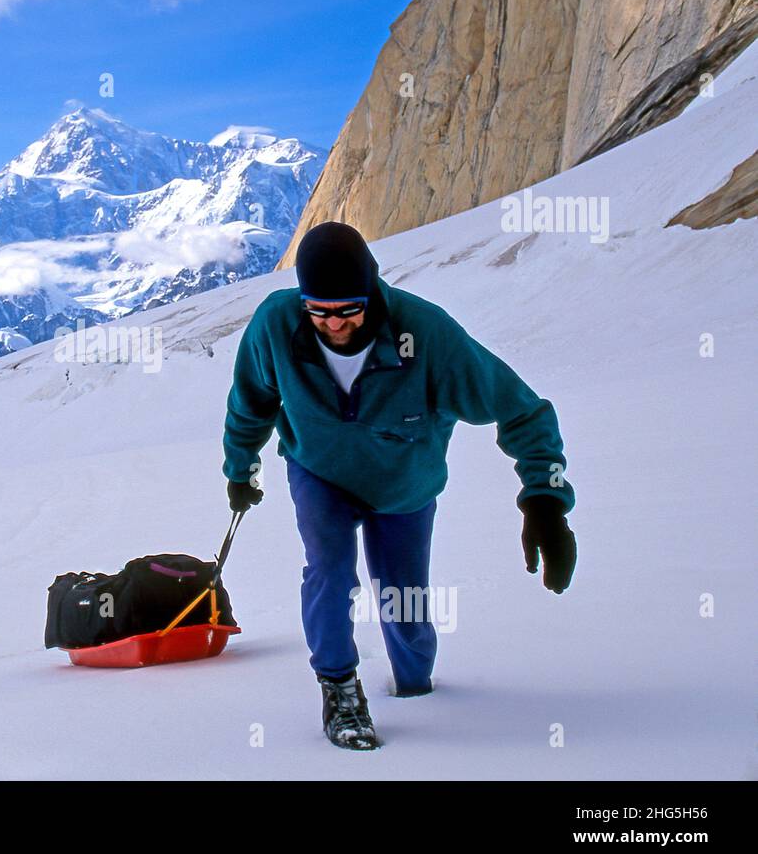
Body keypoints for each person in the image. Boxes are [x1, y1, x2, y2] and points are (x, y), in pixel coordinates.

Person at [222, 221, 577, 750]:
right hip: (320, 473)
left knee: (404, 599)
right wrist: (240, 467)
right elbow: (251, 400)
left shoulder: (427, 335)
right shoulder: (277, 324)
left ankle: (416, 687)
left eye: (348, 310)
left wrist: (545, 500)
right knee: (329, 568)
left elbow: (523, 411)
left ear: (372, 291)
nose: (334, 325)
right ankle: (339, 688)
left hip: (405, 486)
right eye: (318, 311)